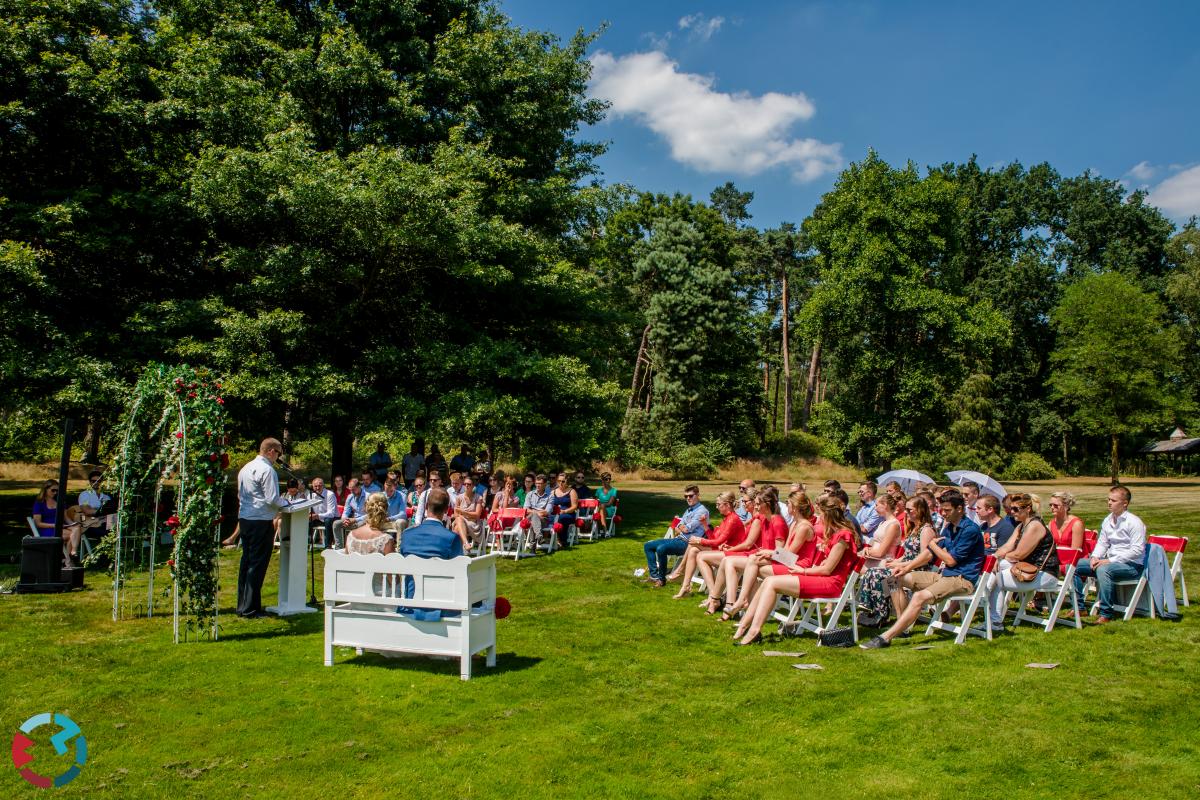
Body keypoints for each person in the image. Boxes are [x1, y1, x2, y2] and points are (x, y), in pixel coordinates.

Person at [860, 489, 985, 649]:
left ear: (959, 509)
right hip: (945, 575)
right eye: (942, 509)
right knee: (891, 578)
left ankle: (886, 637)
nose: (943, 514)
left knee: (918, 597)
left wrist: (932, 544)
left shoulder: (970, 530)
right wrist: (906, 568)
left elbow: (950, 560)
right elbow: (928, 553)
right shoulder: (949, 527)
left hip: (962, 580)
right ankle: (902, 623)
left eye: (947, 510)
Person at [733, 494, 859, 645]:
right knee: (769, 581)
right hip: (820, 577)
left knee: (771, 582)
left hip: (830, 584)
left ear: (828, 514)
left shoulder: (843, 536)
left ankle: (753, 630)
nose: (819, 517)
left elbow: (827, 570)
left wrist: (803, 571)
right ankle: (746, 625)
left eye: (821, 514)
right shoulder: (835, 534)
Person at [723, 490, 816, 617]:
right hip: (790, 561)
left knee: (752, 563)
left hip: (798, 566)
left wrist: (770, 552)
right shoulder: (795, 523)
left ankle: (743, 603)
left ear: (794, 507)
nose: (785, 505)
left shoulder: (804, 527)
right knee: (752, 562)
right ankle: (744, 606)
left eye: (788, 503)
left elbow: (788, 555)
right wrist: (769, 552)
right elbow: (786, 551)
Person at [860, 496, 938, 628]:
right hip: (907, 566)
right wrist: (896, 561)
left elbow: (925, 557)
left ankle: (898, 619)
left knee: (886, 577)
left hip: (920, 570)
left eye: (910, 510)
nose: (906, 512)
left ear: (920, 510)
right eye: (906, 509)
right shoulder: (915, 529)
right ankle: (881, 611)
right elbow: (909, 554)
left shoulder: (926, 530)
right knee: (875, 572)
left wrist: (901, 565)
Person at [1073, 485, 1145, 623]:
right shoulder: (1108, 520)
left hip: (1132, 566)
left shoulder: (1134, 522)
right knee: (1074, 565)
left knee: (1103, 569)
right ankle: (1079, 607)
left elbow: (1137, 550)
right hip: (1110, 561)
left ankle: (1106, 612)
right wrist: (1095, 557)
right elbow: (1103, 543)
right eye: (1108, 499)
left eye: (1113, 500)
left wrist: (1109, 560)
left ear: (1125, 503)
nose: (1109, 502)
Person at [236, 438, 292, 618]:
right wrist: (287, 503)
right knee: (257, 565)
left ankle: (243, 605)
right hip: (260, 520)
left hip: (245, 519)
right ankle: (251, 609)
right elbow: (272, 499)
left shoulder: (245, 468)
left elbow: (240, 494)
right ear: (270, 451)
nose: (279, 457)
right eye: (279, 453)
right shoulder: (267, 470)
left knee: (247, 563)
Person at [987, 492, 1060, 631]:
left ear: (1028, 509)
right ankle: (989, 611)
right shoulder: (1021, 526)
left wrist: (997, 560)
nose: (1011, 512)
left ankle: (991, 617)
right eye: (1010, 508)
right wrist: (994, 558)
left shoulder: (1034, 526)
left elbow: (1019, 554)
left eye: (1015, 509)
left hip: (1045, 574)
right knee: (995, 568)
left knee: (997, 576)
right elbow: (1007, 547)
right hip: (1028, 570)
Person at [718, 486, 787, 620]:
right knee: (729, 561)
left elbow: (782, 554)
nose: (755, 507)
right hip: (763, 558)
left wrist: (766, 552)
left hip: (776, 561)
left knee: (751, 560)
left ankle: (741, 600)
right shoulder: (766, 520)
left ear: (766, 505)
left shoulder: (777, 521)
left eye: (757, 504)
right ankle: (731, 603)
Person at [399, 487, 465, 610]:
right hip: (440, 605)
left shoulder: (407, 535)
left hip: (409, 603)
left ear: (426, 506)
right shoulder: (451, 538)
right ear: (446, 510)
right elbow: (460, 573)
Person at [671, 491, 745, 598]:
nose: (716, 507)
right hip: (724, 550)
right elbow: (714, 539)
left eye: (718, 504)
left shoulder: (732, 519)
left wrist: (699, 541)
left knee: (695, 549)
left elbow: (718, 542)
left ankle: (712, 595)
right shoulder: (727, 518)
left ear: (727, 505)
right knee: (693, 549)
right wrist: (705, 525)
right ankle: (686, 585)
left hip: (732, 554)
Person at [700, 489, 764, 613]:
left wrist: (701, 541)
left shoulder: (737, 519)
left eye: (745, 501)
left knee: (705, 556)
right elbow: (716, 540)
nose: (743, 504)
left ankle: (717, 598)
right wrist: (705, 526)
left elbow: (747, 544)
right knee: (696, 552)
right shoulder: (747, 519)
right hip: (742, 552)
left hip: (749, 555)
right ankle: (718, 599)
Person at [643, 485, 709, 588]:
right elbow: (679, 524)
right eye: (686, 496)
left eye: (691, 496)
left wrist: (681, 526)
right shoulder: (689, 510)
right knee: (648, 545)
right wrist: (681, 526)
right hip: (679, 539)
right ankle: (654, 576)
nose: (688, 498)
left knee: (661, 549)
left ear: (698, 495)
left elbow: (687, 529)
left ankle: (661, 580)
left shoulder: (702, 511)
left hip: (688, 544)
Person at [854, 493, 905, 627]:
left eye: (877, 505)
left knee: (856, 567)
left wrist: (866, 551)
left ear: (886, 506)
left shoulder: (893, 525)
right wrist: (866, 550)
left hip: (884, 561)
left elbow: (882, 551)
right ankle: (873, 606)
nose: (875, 508)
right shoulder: (883, 522)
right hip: (874, 558)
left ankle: (873, 607)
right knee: (852, 565)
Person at [451, 475, 485, 551]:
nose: (466, 486)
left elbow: (477, 515)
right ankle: (466, 544)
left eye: (469, 484)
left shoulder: (478, 497)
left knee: (457, 527)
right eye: (465, 484)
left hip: (473, 523)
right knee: (459, 520)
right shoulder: (459, 497)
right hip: (461, 521)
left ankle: (458, 551)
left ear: (473, 486)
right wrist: (462, 515)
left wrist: (463, 512)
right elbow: (456, 514)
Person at [77, 469, 112, 539]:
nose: (96, 483)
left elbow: (110, 511)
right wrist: (102, 511)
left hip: (105, 522)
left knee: (115, 519)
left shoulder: (106, 497)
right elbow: (86, 510)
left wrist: (95, 510)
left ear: (102, 482)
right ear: (90, 482)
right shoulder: (85, 495)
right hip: (92, 524)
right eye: (93, 481)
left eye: (99, 481)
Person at [549, 472, 579, 549]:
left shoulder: (572, 491)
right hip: (555, 513)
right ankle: (548, 539)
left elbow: (575, 506)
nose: (560, 483)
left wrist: (565, 511)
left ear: (567, 481)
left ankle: (561, 540)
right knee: (547, 518)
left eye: (563, 481)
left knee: (561, 518)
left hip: (568, 513)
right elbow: (549, 504)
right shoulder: (553, 492)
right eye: (559, 481)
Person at [333, 478, 367, 548]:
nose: (351, 492)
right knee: (336, 523)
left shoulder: (368, 496)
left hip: (364, 520)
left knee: (362, 523)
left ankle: (356, 546)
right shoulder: (350, 496)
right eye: (350, 490)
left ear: (359, 487)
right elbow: (346, 511)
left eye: (353, 489)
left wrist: (355, 520)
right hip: (352, 520)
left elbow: (370, 515)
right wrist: (345, 520)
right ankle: (339, 548)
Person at [522, 473, 554, 546]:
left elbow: (546, 512)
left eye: (540, 483)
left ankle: (533, 546)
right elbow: (525, 509)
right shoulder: (530, 494)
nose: (537, 485)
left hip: (543, 519)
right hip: (529, 517)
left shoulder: (550, 496)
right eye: (536, 483)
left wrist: (534, 512)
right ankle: (539, 536)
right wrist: (536, 513)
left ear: (545, 484)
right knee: (534, 516)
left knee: (534, 520)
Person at [308, 476, 339, 547]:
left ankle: (328, 545)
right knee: (305, 520)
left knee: (328, 520)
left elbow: (331, 514)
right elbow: (309, 510)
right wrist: (310, 515)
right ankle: (305, 542)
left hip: (333, 517)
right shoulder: (310, 495)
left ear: (323, 486)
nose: (318, 488)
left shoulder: (329, 494)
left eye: (320, 486)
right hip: (318, 518)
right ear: (312, 487)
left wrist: (317, 516)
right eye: (315, 486)